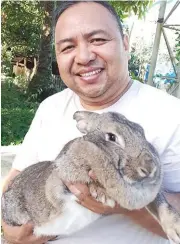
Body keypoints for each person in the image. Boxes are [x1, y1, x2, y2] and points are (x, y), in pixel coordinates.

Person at [2, 1, 180, 244]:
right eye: (67, 47)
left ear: (125, 43)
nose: (84, 57)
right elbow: (17, 176)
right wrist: (8, 229)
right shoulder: (50, 107)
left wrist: (125, 202)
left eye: (97, 40)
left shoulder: (171, 114)